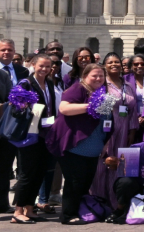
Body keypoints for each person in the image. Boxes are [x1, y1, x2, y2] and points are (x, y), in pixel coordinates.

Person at [48, 63, 108, 225]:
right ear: (85, 76)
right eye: (94, 75)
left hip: (94, 147)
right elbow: (64, 108)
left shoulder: (102, 92)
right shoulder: (78, 89)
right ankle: (68, 215)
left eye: (101, 76)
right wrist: (90, 106)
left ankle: (81, 211)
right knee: (74, 182)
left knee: (84, 182)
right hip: (75, 146)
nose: (98, 78)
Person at [10, 54, 57, 223]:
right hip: (29, 134)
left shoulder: (50, 83)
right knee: (27, 174)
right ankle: (18, 211)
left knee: (40, 172)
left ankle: (30, 208)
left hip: (45, 133)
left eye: (47, 66)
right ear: (33, 65)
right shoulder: (25, 83)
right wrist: (24, 106)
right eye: (41, 66)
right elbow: (15, 110)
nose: (44, 69)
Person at [90, 53, 139, 207]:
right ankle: (98, 201)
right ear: (104, 65)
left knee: (121, 166)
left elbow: (133, 110)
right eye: (110, 62)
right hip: (105, 130)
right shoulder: (101, 85)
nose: (114, 64)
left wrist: (132, 131)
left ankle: (118, 202)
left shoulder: (128, 86)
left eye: (117, 62)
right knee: (102, 165)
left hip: (124, 130)